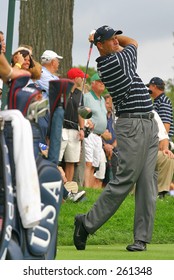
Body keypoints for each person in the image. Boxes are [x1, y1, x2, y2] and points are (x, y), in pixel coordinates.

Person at [73, 25, 159, 252]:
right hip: (133, 125)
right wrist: (119, 40)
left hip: (148, 123)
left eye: (115, 38)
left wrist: (110, 38)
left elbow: (126, 45)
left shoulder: (114, 55)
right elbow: (134, 43)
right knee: (125, 179)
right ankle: (86, 222)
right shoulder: (112, 63)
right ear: (100, 45)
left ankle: (141, 238)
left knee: (148, 183)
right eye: (111, 40)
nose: (115, 42)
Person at [59, 68, 85, 182]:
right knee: (57, 158)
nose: (83, 80)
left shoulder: (80, 94)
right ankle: (58, 183)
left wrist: (82, 129)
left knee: (71, 160)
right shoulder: (63, 90)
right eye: (81, 77)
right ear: (76, 78)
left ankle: (68, 187)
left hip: (74, 129)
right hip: (62, 128)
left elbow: (81, 113)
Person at [82, 73, 108, 188]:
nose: (102, 83)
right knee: (88, 162)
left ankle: (89, 188)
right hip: (89, 133)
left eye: (103, 81)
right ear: (93, 83)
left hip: (99, 136)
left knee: (95, 164)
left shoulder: (102, 99)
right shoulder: (87, 97)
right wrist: (87, 122)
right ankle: (86, 187)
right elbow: (81, 112)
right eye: (99, 81)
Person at [102, 94, 118, 185]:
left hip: (113, 148)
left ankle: (113, 183)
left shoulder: (114, 118)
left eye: (111, 103)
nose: (109, 105)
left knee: (116, 154)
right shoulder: (101, 117)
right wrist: (105, 145)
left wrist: (111, 147)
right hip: (102, 146)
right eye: (107, 103)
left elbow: (119, 136)